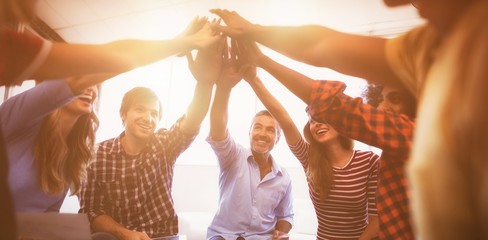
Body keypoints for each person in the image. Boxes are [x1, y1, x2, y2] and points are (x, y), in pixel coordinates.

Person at [211, 1, 488, 238]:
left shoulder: (373, 159)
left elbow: (377, 215)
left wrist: (260, 56)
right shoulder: (424, 47)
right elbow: (318, 50)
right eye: (314, 119)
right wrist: (256, 58)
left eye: (396, 100)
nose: (388, 3)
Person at [235, 39, 416, 239]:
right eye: (312, 121)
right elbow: (284, 120)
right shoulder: (309, 158)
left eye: (324, 119)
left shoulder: (369, 162)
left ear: (341, 124)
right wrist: (253, 79)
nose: (318, 124)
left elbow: (377, 219)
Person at [78, 37, 224, 240]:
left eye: (154, 113)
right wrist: (126, 233)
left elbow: (193, 118)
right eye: (140, 110)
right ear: (123, 113)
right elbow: (92, 211)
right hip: (119, 237)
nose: (148, 118)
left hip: (164, 236)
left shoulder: (164, 145)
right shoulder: (97, 155)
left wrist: (205, 83)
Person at [205, 40, 293, 240]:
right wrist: (224, 87)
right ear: (249, 132)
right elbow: (218, 130)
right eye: (258, 127)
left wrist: (281, 232)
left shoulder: (284, 178)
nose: (263, 133)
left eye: (270, 130)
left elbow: (286, 214)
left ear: (277, 138)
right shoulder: (233, 156)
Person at [0, 75, 112, 213]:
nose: (91, 88)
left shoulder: (74, 153)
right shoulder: (21, 118)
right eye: (87, 81)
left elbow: (50, 215)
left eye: (96, 84)